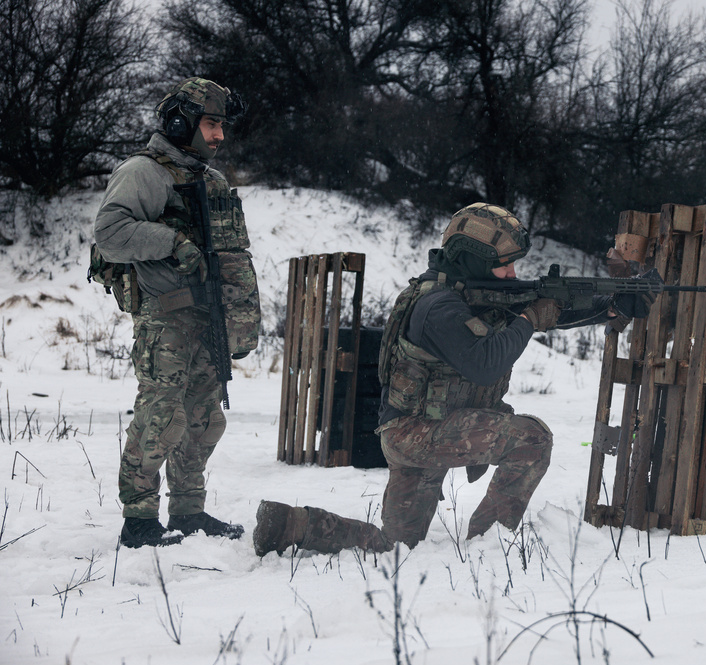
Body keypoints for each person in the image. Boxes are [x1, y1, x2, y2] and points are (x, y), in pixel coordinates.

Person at [253, 203, 659, 556]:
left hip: (422, 430)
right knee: (532, 439)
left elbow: (548, 310)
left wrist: (611, 306)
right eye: (504, 264)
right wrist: (530, 318)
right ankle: (489, 545)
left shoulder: (472, 291)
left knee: (395, 546)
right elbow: (484, 362)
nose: (512, 273)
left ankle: (293, 526)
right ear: (474, 259)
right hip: (417, 433)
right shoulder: (437, 306)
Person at [94, 77, 260, 548]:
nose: (219, 136)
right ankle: (139, 519)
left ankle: (188, 510)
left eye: (222, 126)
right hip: (166, 318)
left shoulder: (210, 180)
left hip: (209, 320)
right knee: (161, 416)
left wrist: (241, 315)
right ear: (179, 122)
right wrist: (171, 242)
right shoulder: (144, 172)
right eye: (210, 124)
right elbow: (109, 232)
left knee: (205, 418)